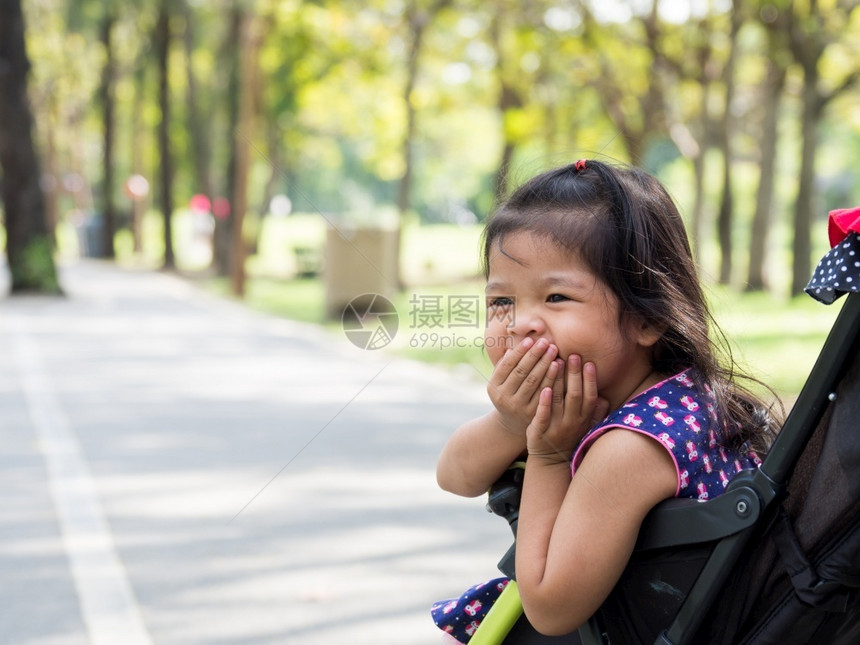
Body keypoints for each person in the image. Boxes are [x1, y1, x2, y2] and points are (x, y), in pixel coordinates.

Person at [431, 159, 781, 643]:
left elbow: (551, 608)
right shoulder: (666, 396)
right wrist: (512, 424)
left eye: (556, 298)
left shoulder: (634, 446)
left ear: (647, 318)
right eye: (501, 302)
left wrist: (550, 455)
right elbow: (454, 476)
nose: (520, 323)